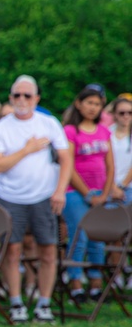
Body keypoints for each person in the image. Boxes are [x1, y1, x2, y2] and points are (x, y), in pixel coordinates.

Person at [0, 75, 72, 323]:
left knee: (48, 249)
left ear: (36, 98)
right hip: (10, 197)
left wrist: (59, 190)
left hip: (44, 197)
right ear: (10, 98)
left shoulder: (48, 123)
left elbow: (66, 158)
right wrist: (26, 150)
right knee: (11, 250)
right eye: (17, 95)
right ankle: (16, 303)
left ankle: (44, 304)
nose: (22, 100)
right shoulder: (1, 128)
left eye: (27, 95)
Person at [62, 85, 114, 303]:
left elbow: (110, 165)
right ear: (79, 103)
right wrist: (88, 194)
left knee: (98, 239)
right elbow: (69, 165)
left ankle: (95, 284)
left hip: (102, 192)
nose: (93, 108)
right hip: (75, 192)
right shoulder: (71, 131)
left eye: (97, 104)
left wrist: (105, 193)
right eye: (89, 103)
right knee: (78, 237)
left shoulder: (103, 131)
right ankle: (75, 283)